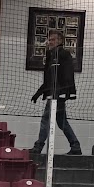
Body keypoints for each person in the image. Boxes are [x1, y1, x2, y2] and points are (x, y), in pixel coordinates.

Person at [29, 30, 81, 158]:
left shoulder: (64, 54)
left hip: (58, 95)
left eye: (52, 39)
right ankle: (75, 146)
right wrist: (39, 92)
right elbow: (48, 78)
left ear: (60, 41)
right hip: (53, 94)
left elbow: (68, 74)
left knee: (45, 120)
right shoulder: (50, 55)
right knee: (62, 122)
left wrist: (68, 92)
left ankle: (38, 146)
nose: (50, 42)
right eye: (49, 39)